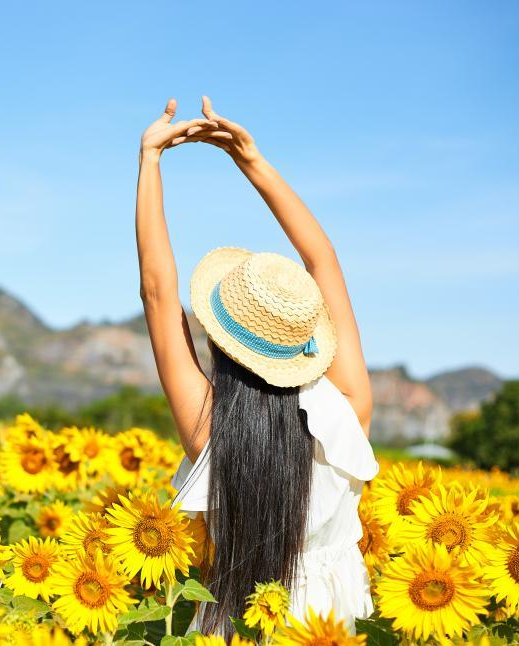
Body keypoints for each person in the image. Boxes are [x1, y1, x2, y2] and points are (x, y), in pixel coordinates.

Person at [135, 96, 380, 637]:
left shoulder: (211, 432)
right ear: (302, 344)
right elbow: (323, 260)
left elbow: (157, 292)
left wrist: (150, 160)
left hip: (239, 624)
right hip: (334, 624)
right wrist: (252, 161)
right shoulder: (349, 412)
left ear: (219, 341)